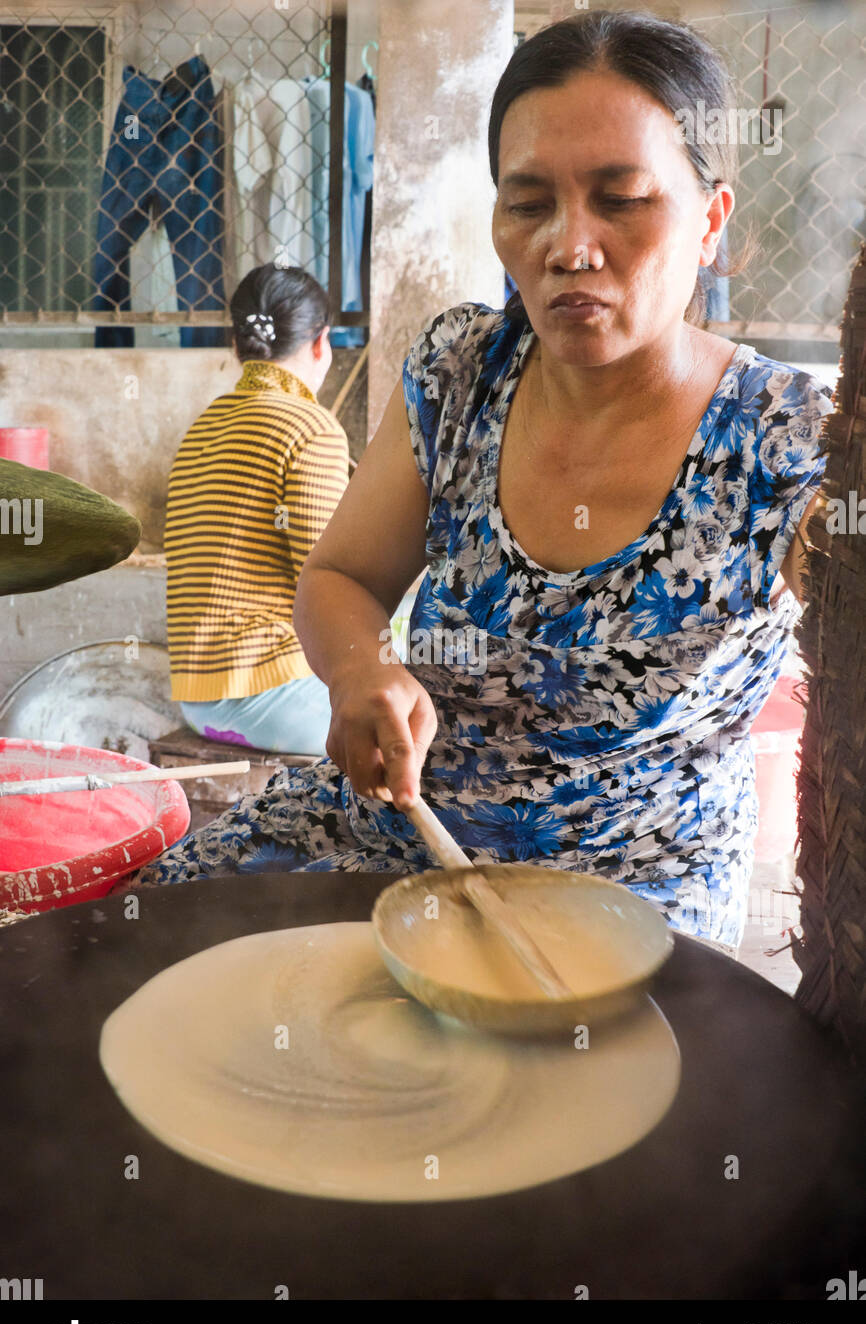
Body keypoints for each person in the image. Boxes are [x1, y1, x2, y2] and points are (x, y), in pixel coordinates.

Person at [127, 10, 834, 956]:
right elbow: (339, 580)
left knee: (544, 1080)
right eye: (528, 200)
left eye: (622, 200)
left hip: (627, 883)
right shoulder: (461, 370)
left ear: (709, 220)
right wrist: (360, 670)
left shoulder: (785, 439)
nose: (568, 247)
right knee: (142, 935)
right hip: (401, 825)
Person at [164, 262, 350, 755]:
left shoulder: (202, 427)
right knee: (441, 705)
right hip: (277, 699)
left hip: (199, 704)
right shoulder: (311, 427)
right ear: (320, 343)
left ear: (236, 345)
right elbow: (330, 581)